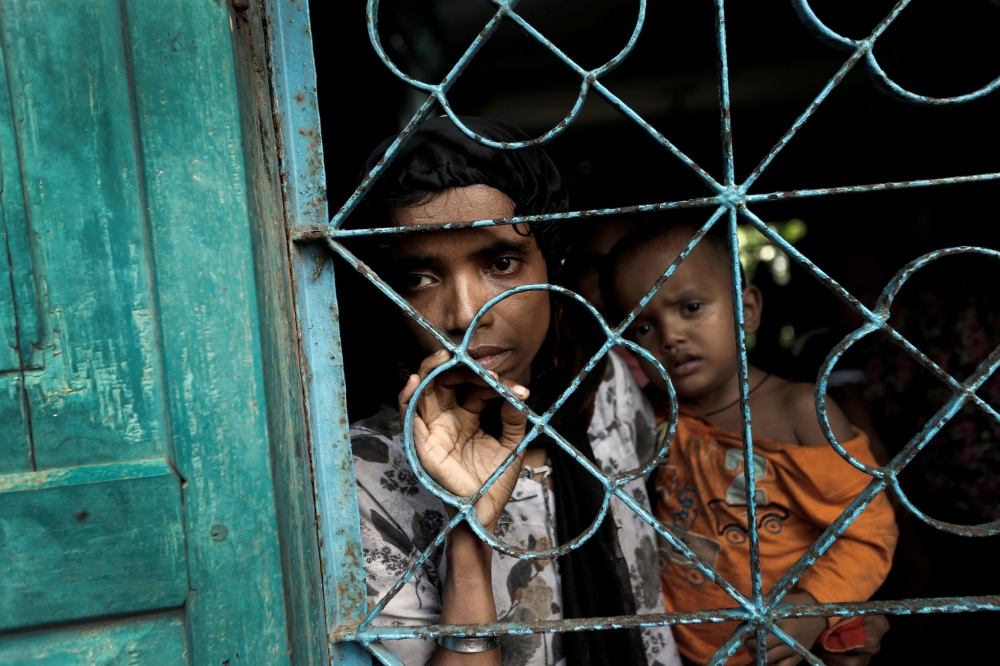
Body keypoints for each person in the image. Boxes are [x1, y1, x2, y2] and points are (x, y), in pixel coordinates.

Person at [348, 116, 681, 666]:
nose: (462, 315)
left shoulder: (604, 387)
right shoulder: (366, 473)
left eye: (501, 263)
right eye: (420, 278)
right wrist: (467, 532)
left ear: (553, 266)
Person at [602, 221, 899, 666]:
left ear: (748, 308)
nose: (670, 337)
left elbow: (869, 528)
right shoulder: (649, 415)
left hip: (787, 646)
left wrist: (814, 609)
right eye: (642, 328)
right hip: (682, 651)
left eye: (692, 307)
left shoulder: (800, 411)